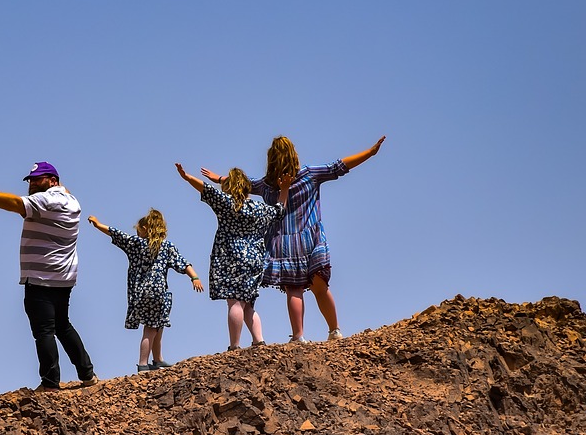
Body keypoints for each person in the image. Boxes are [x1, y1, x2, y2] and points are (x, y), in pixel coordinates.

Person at [201, 135, 385, 343]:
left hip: (284, 243)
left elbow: (242, 184)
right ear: (293, 154)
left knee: (294, 289)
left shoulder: (266, 185)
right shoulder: (309, 174)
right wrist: (369, 153)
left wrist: (218, 179)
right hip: (310, 237)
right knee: (320, 286)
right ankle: (335, 331)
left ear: (271, 159)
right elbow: (339, 167)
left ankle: (298, 335)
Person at [0, 161, 98, 391]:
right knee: (62, 325)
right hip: (63, 277)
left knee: (44, 330)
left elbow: (16, 203)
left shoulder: (46, 200)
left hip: (40, 277)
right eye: (31, 180)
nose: (33, 183)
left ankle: (50, 383)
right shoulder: (72, 201)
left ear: (53, 181)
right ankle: (87, 374)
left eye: (38, 179)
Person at [175, 162, 291, 351]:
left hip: (230, 256)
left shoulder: (226, 203)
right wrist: (284, 189)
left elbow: (205, 189)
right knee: (248, 303)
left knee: (235, 302)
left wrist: (187, 177)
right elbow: (280, 209)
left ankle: (234, 345)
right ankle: (259, 341)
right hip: (254, 258)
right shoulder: (259, 208)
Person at [87, 209, 203, 374]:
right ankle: (150, 362)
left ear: (145, 228)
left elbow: (115, 233)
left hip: (141, 292)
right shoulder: (167, 246)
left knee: (153, 327)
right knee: (155, 326)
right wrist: (195, 278)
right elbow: (183, 263)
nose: (136, 232)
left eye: (138, 229)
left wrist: (98, 224)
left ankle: (149, 362)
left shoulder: (136, 244)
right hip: (159, 292)